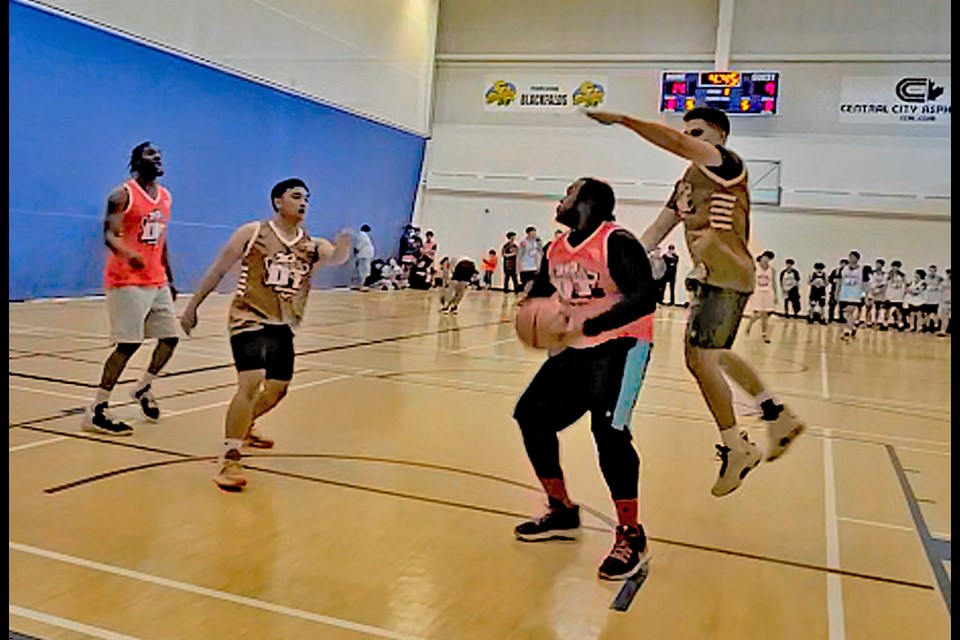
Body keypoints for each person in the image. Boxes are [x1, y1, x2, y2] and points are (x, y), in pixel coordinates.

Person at [586, 106, 805, 496]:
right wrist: (617, 267)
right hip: (707, 277)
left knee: (699, 359)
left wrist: (624, 119)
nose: (691, 138)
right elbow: (656, 229)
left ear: (719, 135)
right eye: (689, 131)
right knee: (715, 355)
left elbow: (674, 141)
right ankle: (777, 414)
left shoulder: (726, 164)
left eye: (699, 133)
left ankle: (737, 447)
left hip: (728, 274)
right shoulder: (687, 181)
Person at [513, 177, 658, 581]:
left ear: (587, 203)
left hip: (623, 348)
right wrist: (530, 312)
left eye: (568, 194)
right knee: (531, 416)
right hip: (576, 350)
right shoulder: (556, 247)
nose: (561, 200)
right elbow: (543, 291)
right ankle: (561, 510)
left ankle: (632, 533)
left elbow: (644, 297)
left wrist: (594, 324)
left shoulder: (617, 241)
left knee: (610, 434)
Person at [179, 178, 352, 490]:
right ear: (277, 202)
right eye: (296, 196)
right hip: (247, 318)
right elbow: (219, 269)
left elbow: (334, 256)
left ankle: (246, 425)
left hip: (282, 324)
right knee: (251, 380)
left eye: (307, 198)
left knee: (277, 390)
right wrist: (193, 306)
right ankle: (230, 458)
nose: (303, 203)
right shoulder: (253, 232)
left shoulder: (312, 244)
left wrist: (342, 248)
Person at [82, 142, 179, 436]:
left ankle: (142, 387)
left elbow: (162, 240)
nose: (158, 157)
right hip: (126, 280)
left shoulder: (166, 197)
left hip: (156, 279)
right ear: (136, 162)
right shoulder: (121, 195)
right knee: (128, 344)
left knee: (170, 338)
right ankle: (97, 409)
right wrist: (129, 254)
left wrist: (171, 278)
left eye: (161, 153)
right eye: (151, 154)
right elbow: (109, 235)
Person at [745, 251, 777, 343]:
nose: (766, 260)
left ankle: (764, 333)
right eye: (765, 257)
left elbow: (773, 282)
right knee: (759, 313)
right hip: (757, 292)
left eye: (769, 259)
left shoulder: (771, 270)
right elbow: (751, 279)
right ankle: (752, 327)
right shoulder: (755, 268)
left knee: (765, 315)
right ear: (762, 257)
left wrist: (775, 295)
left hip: (768, 292)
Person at [838, 251, 867, 341]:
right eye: (850, 257)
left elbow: (865, 284)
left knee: (849, 311)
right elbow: (839, 281)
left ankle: (848, 330)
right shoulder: (844, 269)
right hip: (844, 294)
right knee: (845, 314)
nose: (851, 259)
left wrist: (864, 295)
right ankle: (852, 327)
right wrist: (836, 292)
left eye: (853, 257)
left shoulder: (861, 270)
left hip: (855, 294)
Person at [518, 226, 544, 291]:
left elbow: (541, 252)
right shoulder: (523, 242)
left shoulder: (536, 242)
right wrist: (519, 267)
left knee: (533, 283)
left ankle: (529, 297)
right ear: (528, 233)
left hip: (534, 266)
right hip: (525, 266)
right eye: (533, 232)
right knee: (526, 284)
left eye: (535, 232)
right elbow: (520, 255)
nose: (535, 234)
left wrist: (540, 245)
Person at [884, 260, 908, 330]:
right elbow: (885, 283)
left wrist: (904, 293)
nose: (895, 268)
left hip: (898, 296)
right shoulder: (888, 275)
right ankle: (886, 322)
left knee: (898, 311)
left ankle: (900, 323)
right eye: (894, 266)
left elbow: (906, 283)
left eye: (897, 267)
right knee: (888, 310)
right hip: (890, 295)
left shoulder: (902, 275)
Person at [352, 224, 375, 291]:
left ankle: (362, 285)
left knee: (362, 270)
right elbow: (362, 243)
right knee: (365, 270)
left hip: (364, 255)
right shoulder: (364, 235)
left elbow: (360, 244)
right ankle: (362, 285)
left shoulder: (362, 235)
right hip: (365, 255)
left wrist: (356, 249)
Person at [866, 259, 887, 328]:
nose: (878, 265)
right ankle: (869, 321)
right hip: (872, 292)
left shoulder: (884, 274)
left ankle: (879, 321)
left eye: (879, 264)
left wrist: (879, 290)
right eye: (877, 264)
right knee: (870, 307)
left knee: (879, 307)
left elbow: (884, 284)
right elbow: (870, 283)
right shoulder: (872, 273)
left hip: (880, 293)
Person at [922, 265, 943, 333]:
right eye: (930, 271)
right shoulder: (926, 278)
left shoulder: (939, 278)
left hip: (935, 299)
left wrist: (936, 288)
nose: (932, 272)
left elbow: (942, 285)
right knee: (927, 314)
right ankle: (927, 326)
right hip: (927, 299)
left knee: (934, 313)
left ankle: (936, 325)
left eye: (933, 271)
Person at [937, 268, 951, 337]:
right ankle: (943, 330)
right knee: (944, 317)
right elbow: (940, 291)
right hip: (945, 301)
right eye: (948, 273)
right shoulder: (943, 283)